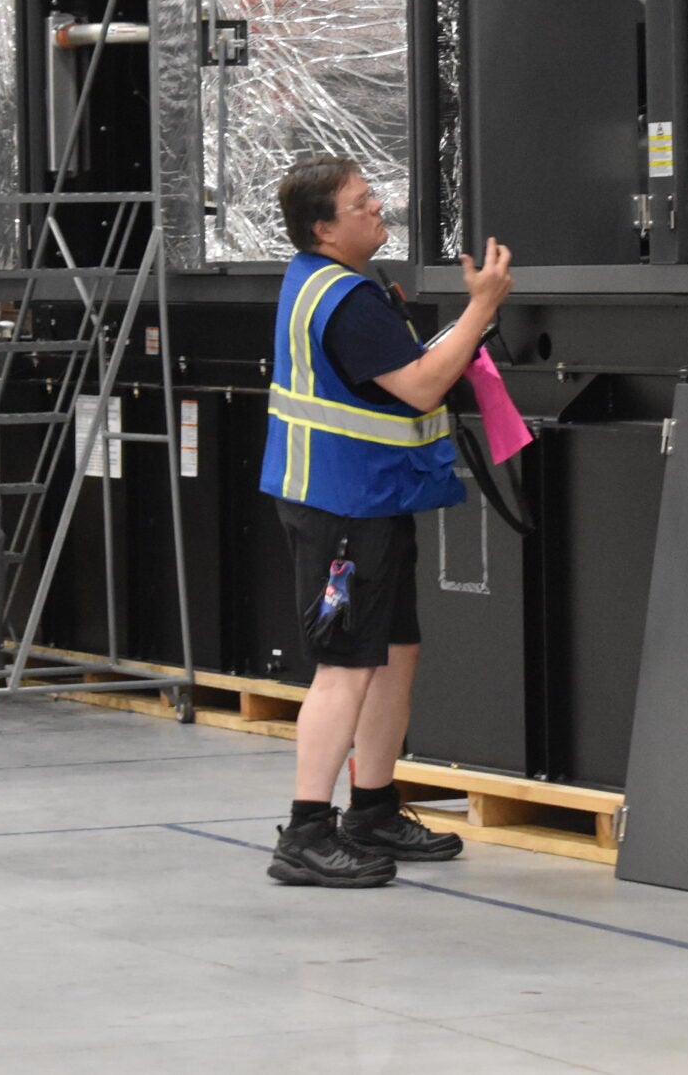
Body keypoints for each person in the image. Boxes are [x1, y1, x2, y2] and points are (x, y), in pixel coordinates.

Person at [260, 153, 514, 888]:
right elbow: (425, 386)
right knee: (344, 665)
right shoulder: (346, 301)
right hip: (343, 505)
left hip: (371, 498)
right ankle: (306, 830)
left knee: (395, 651)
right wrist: (480, 308)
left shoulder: (328, 283)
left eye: (373, 196)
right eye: (361, 202)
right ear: (323, 227)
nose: (378, 209)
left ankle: (371, 807)